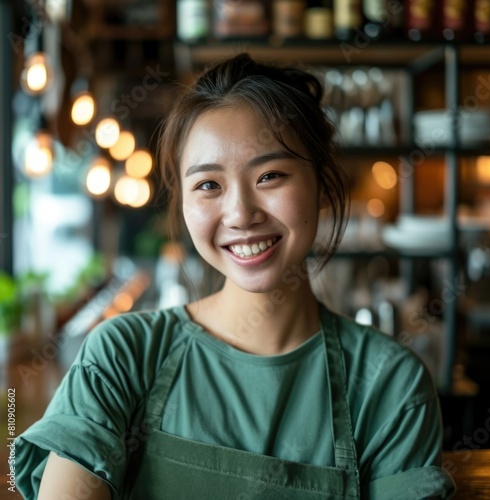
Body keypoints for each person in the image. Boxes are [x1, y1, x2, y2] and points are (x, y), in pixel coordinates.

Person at [15, 53, 455, 499]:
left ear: (322, 184)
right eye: (209, 185)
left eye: (270, 175)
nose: (241, 214)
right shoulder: (122, 357)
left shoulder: (389, 386)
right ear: (183, 201)